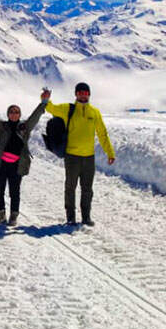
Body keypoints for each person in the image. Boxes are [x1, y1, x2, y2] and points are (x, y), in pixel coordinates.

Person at [45, 82, 115, 226]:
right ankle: (70, 217)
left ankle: (86, 217)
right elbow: (51, 108)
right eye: (80, 92)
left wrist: (110, 152)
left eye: (85, 92)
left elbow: (102, 134)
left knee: (87, 189)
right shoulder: (68, 109)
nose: (83, 94)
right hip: (72, 156)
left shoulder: (94, 112)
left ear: (89, 94)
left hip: (89, 157)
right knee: (70, 187)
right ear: (76, 94)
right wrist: (46, 99)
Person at [0, 91, 48, 226]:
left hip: (17, 165)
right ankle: (1, 214)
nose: (14, 114)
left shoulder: (24, 127)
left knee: (15, 191)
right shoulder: (2, 127)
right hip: (1, 164)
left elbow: (35, 117)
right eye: (12, 112)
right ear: (8, 114)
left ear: (19, 115)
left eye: (16, 112)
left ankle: (13, 216)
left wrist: (43, 103)